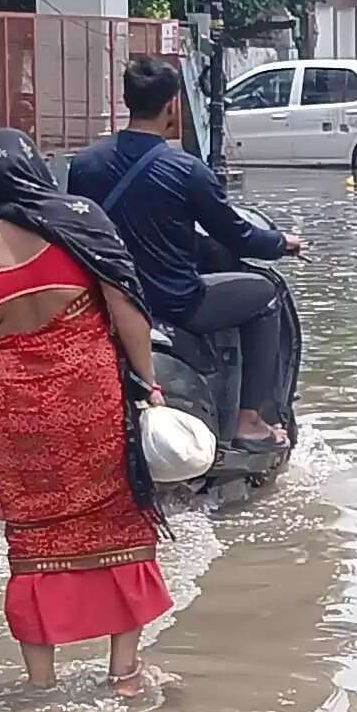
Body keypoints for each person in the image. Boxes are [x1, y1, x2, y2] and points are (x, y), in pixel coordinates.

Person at [0, 130, 175, 694]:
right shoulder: (80, 221)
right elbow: (126, 310)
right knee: (120, 520)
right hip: (89, 394)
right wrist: (148, 381)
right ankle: (124, 671)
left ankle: (41, 683)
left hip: (14, 406)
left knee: (33, 535)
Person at [64, 57, 301, 447]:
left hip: (107, 304)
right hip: (175, 302)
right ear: (173, 105)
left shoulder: (85, 165)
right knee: (266, 296)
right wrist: (282, 244)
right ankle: (249, 420)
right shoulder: (186, 170)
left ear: (127, 100)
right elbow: (237, 235)